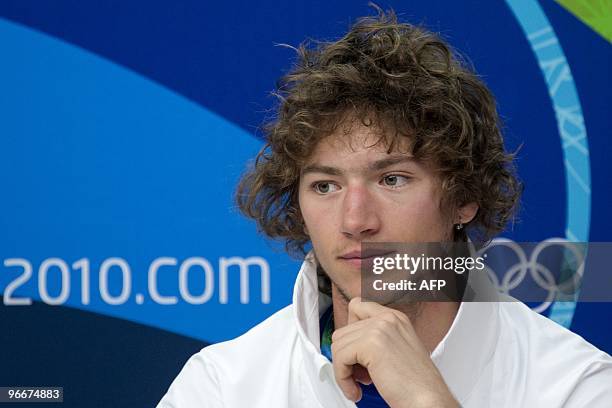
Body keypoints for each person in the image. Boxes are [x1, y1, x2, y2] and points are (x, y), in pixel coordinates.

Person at [157, 7, 612, 407]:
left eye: (392, 179)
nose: (356, 221)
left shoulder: (577, 388)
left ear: (464, 197)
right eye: (325, 186)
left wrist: (426, 400)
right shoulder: (222, 389)